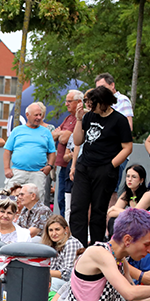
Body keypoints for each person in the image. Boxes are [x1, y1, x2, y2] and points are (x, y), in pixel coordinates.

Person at [69, 86, 134, 246]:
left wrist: (111, 165)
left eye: (93, 103)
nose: (89, 107)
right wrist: (79, 119)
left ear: (103, 103)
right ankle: (77, 246)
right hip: (85, 167)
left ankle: (95, 246)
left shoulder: (119, 120)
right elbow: (78, 141)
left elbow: (127, 147)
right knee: (78, 208)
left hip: (104, 170)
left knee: (98, 211)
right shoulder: (90, 116)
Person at [2, 102, 56, 199]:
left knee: (36, 201)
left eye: (40, 115)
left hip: (38, 173)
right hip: (18, 171)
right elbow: (7, 151)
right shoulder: (17, 130)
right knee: (12, 199)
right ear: (27, 115)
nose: (39, 117)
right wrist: (7, 168)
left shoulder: (46, 132)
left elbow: (52, 152)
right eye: (36, 115)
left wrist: (49, 166)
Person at [53, 90, 83, 218]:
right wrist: (61, 134)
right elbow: (53, 135)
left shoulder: (79, 119)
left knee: (68, 200)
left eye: (69, 101)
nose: (66, 104)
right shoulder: (68, 118)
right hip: (62, 164)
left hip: (72, 165)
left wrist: (61, 134)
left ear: (79, 102)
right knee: (61, 199)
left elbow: (65, 139)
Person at [42, 215, 84, 289]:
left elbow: (68, 273)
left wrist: (42, 272)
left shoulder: (71, 243)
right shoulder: (53, 244)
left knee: (52, 282)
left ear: (66, 230)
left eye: (57, 229)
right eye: (50, 230)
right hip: (57, 281)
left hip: (73, 284)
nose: (53, 233)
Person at [106, 165, 148, 234]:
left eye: (134, 177)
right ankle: (114, 242)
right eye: (128, 176)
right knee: (113, 220)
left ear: (141, 180)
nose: (129, 179)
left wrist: (116, 209)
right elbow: (111, 213)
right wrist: (128, 212)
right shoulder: (127, 194)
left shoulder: (147, 194)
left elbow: (136, 214)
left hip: (146, 226)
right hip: (133, 223)